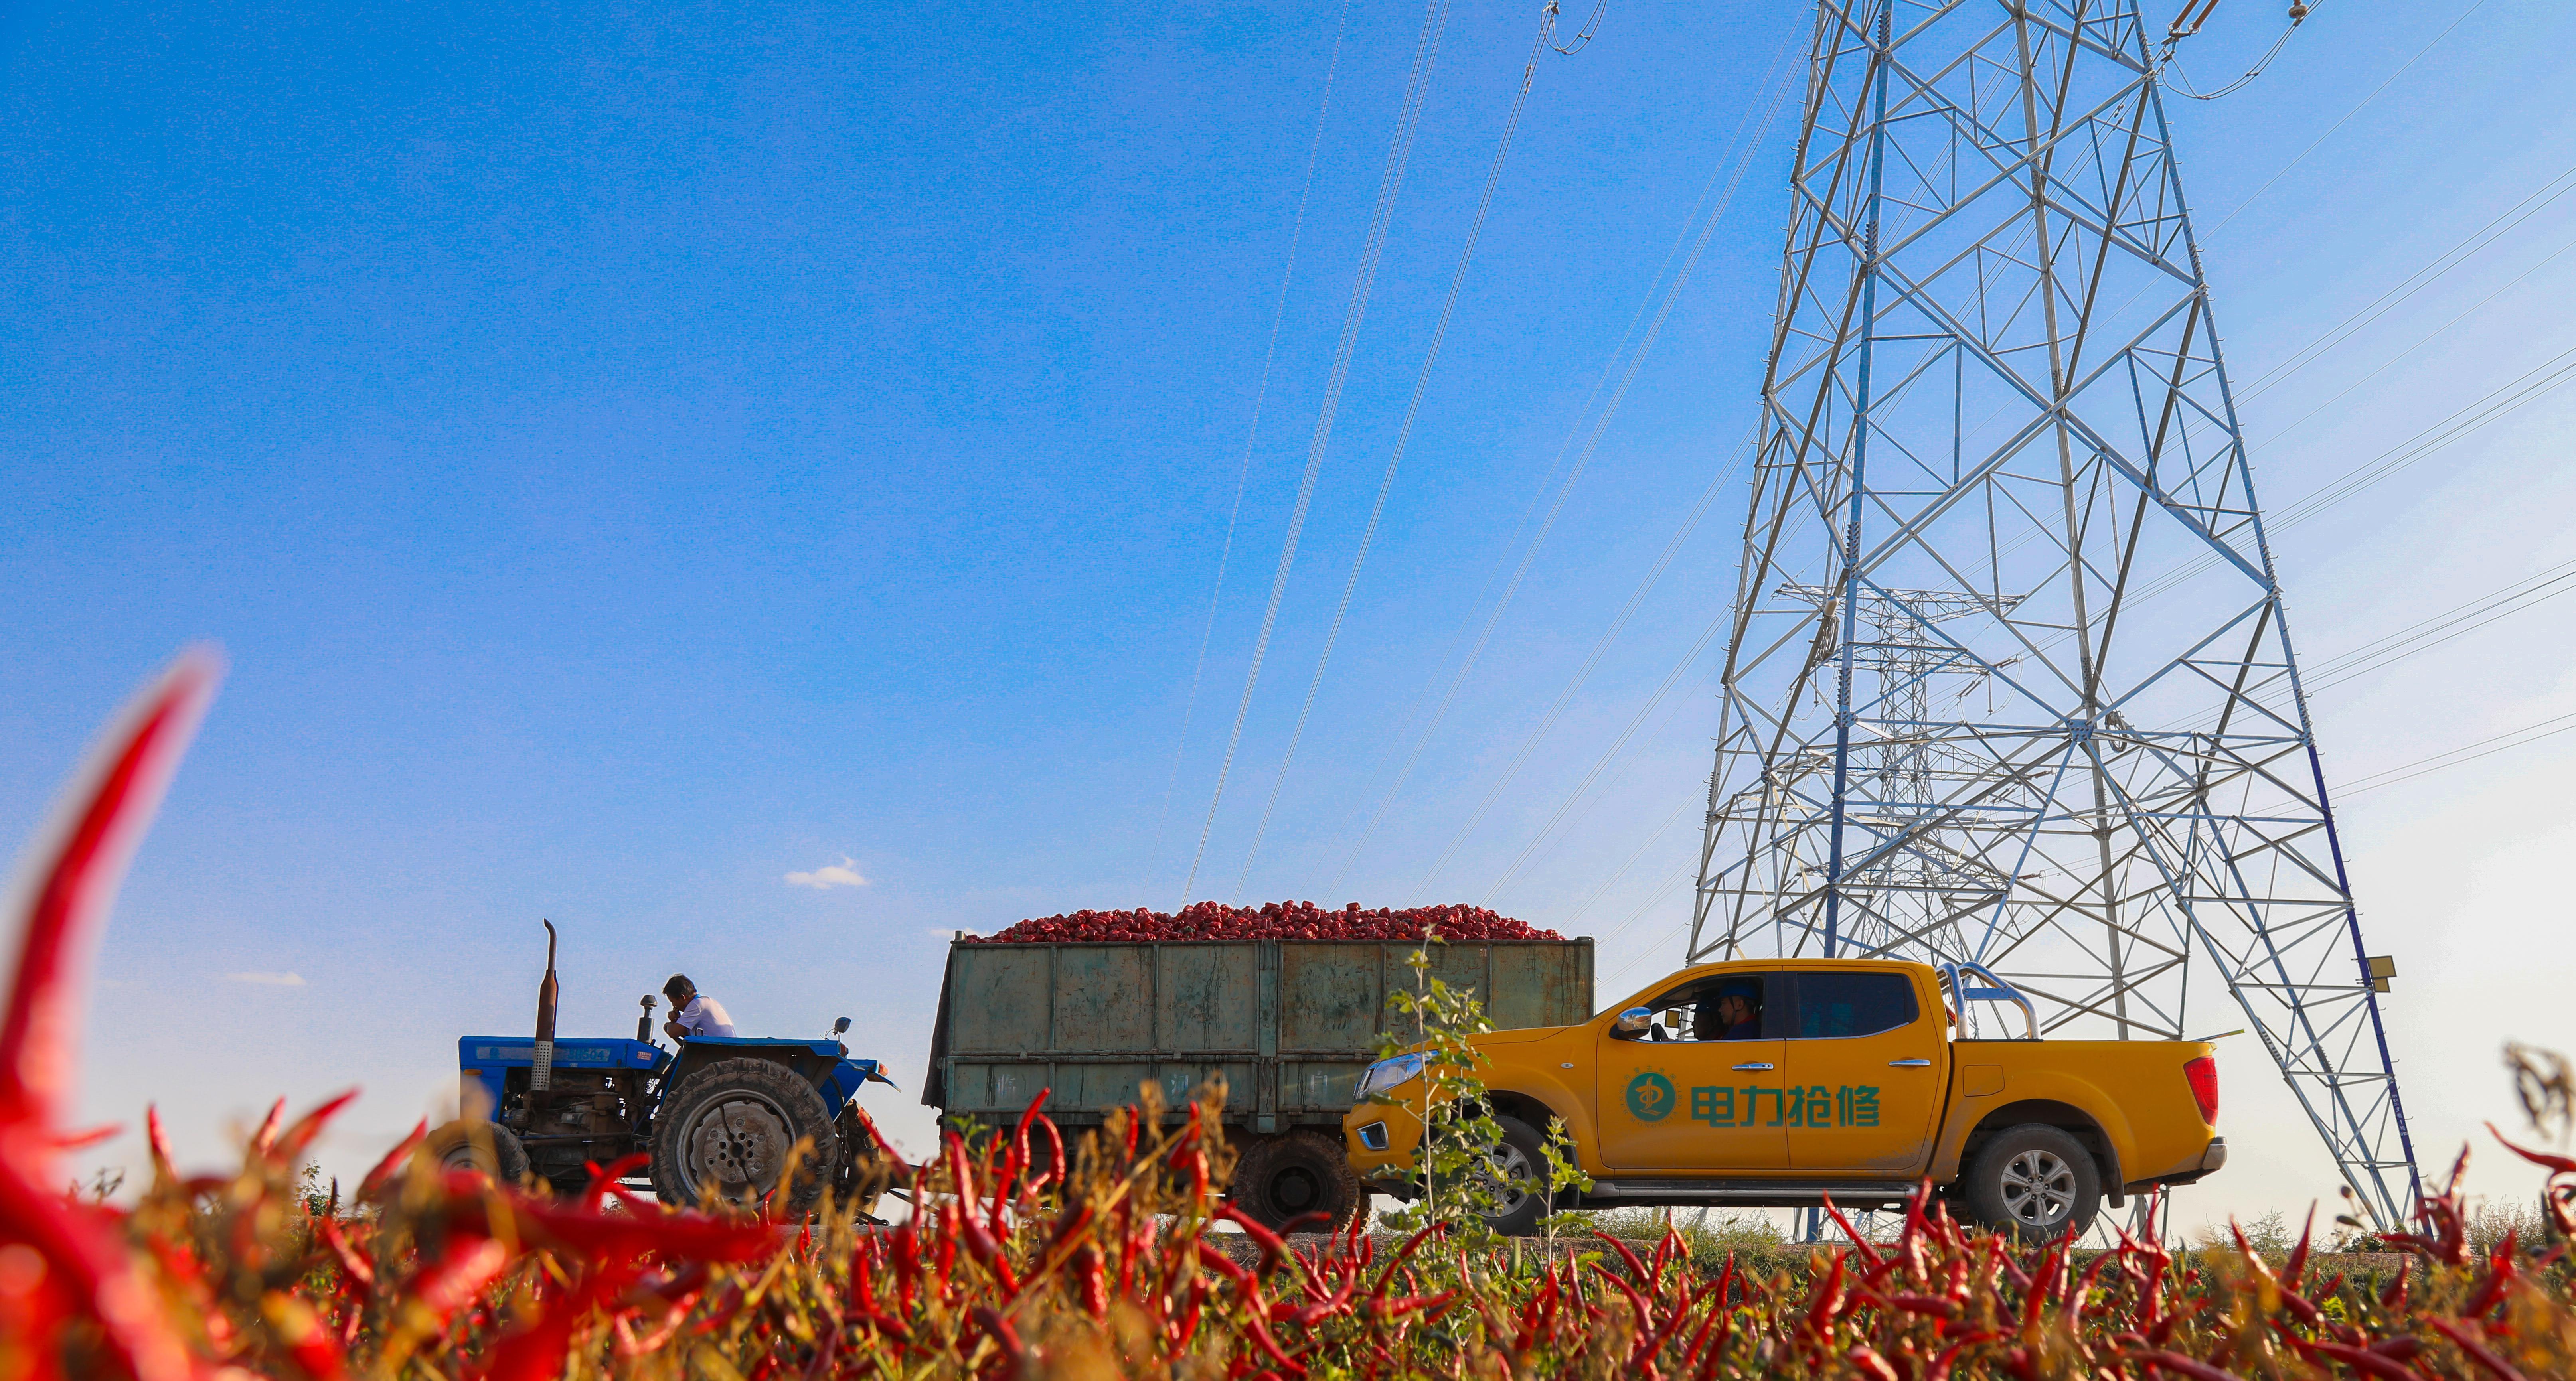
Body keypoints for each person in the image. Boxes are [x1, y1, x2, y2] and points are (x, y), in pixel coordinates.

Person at [662, 974, 736, 1041]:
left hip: (719, 1048)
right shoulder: (705, 1001)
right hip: (726, 1046)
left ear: (683, 998)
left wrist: (673, 1021)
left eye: (673, 1002)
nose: (674, 1006)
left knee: (667, 1027)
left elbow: (673, 1033)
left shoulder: (696, 1005)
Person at [1697, 980, 1763, 1040]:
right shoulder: (1753, 1029)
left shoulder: (1740, 1034)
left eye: (1724, 1003)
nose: (1720, 1010)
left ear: (1739, 1005)